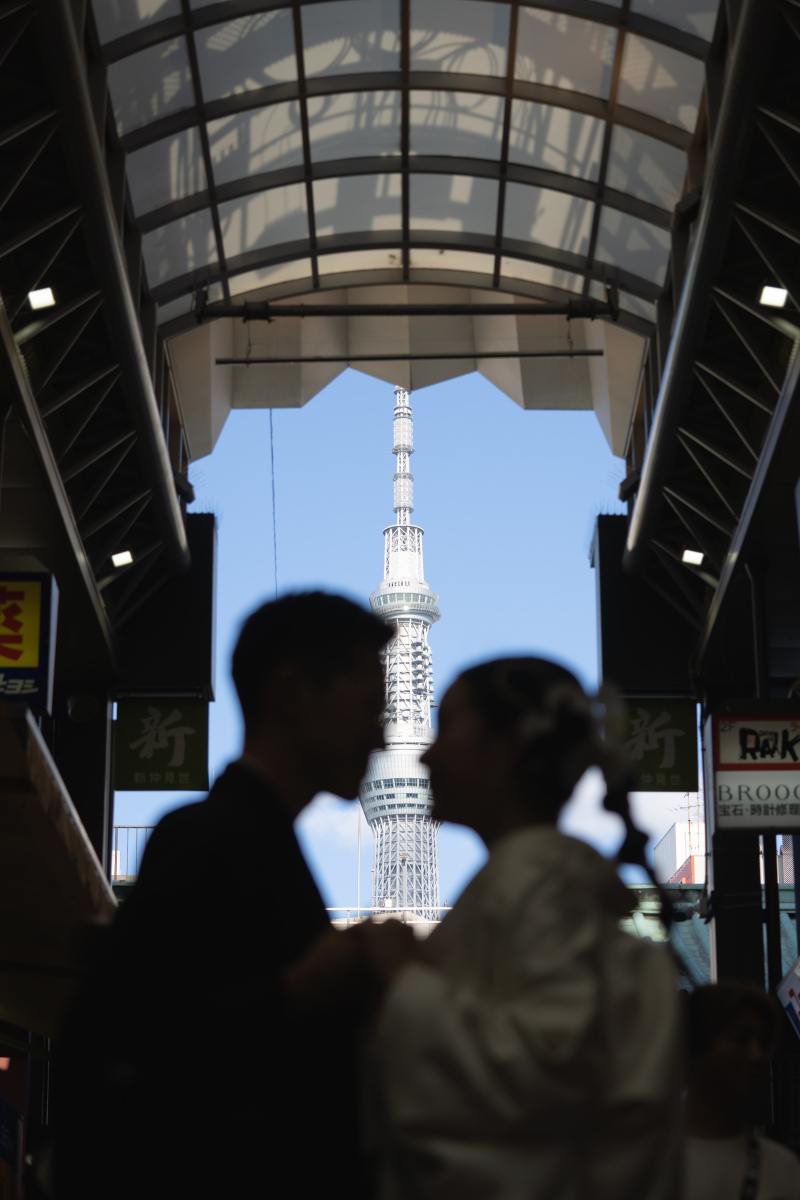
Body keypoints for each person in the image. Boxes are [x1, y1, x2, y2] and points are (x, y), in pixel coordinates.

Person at [54, 591, 390, 1200]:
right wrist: (300, 990)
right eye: (371, 706)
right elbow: (116, 1048)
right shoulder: (208, 838)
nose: (381, 733)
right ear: (289, 693)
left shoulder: (249, 838)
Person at [360, 656, 683, 1200]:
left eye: (448, 726)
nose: (428, 751)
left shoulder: (534, 881)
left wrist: (399, 978)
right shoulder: (537, 881)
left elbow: (548, 1070)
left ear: (509, 744)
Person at [684, 983, 800, 1200]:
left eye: (764, 1043)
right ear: (696, 1046)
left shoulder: (784, 1167)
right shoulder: (641, 1159)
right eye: (741, 1038)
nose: (757, 1055)